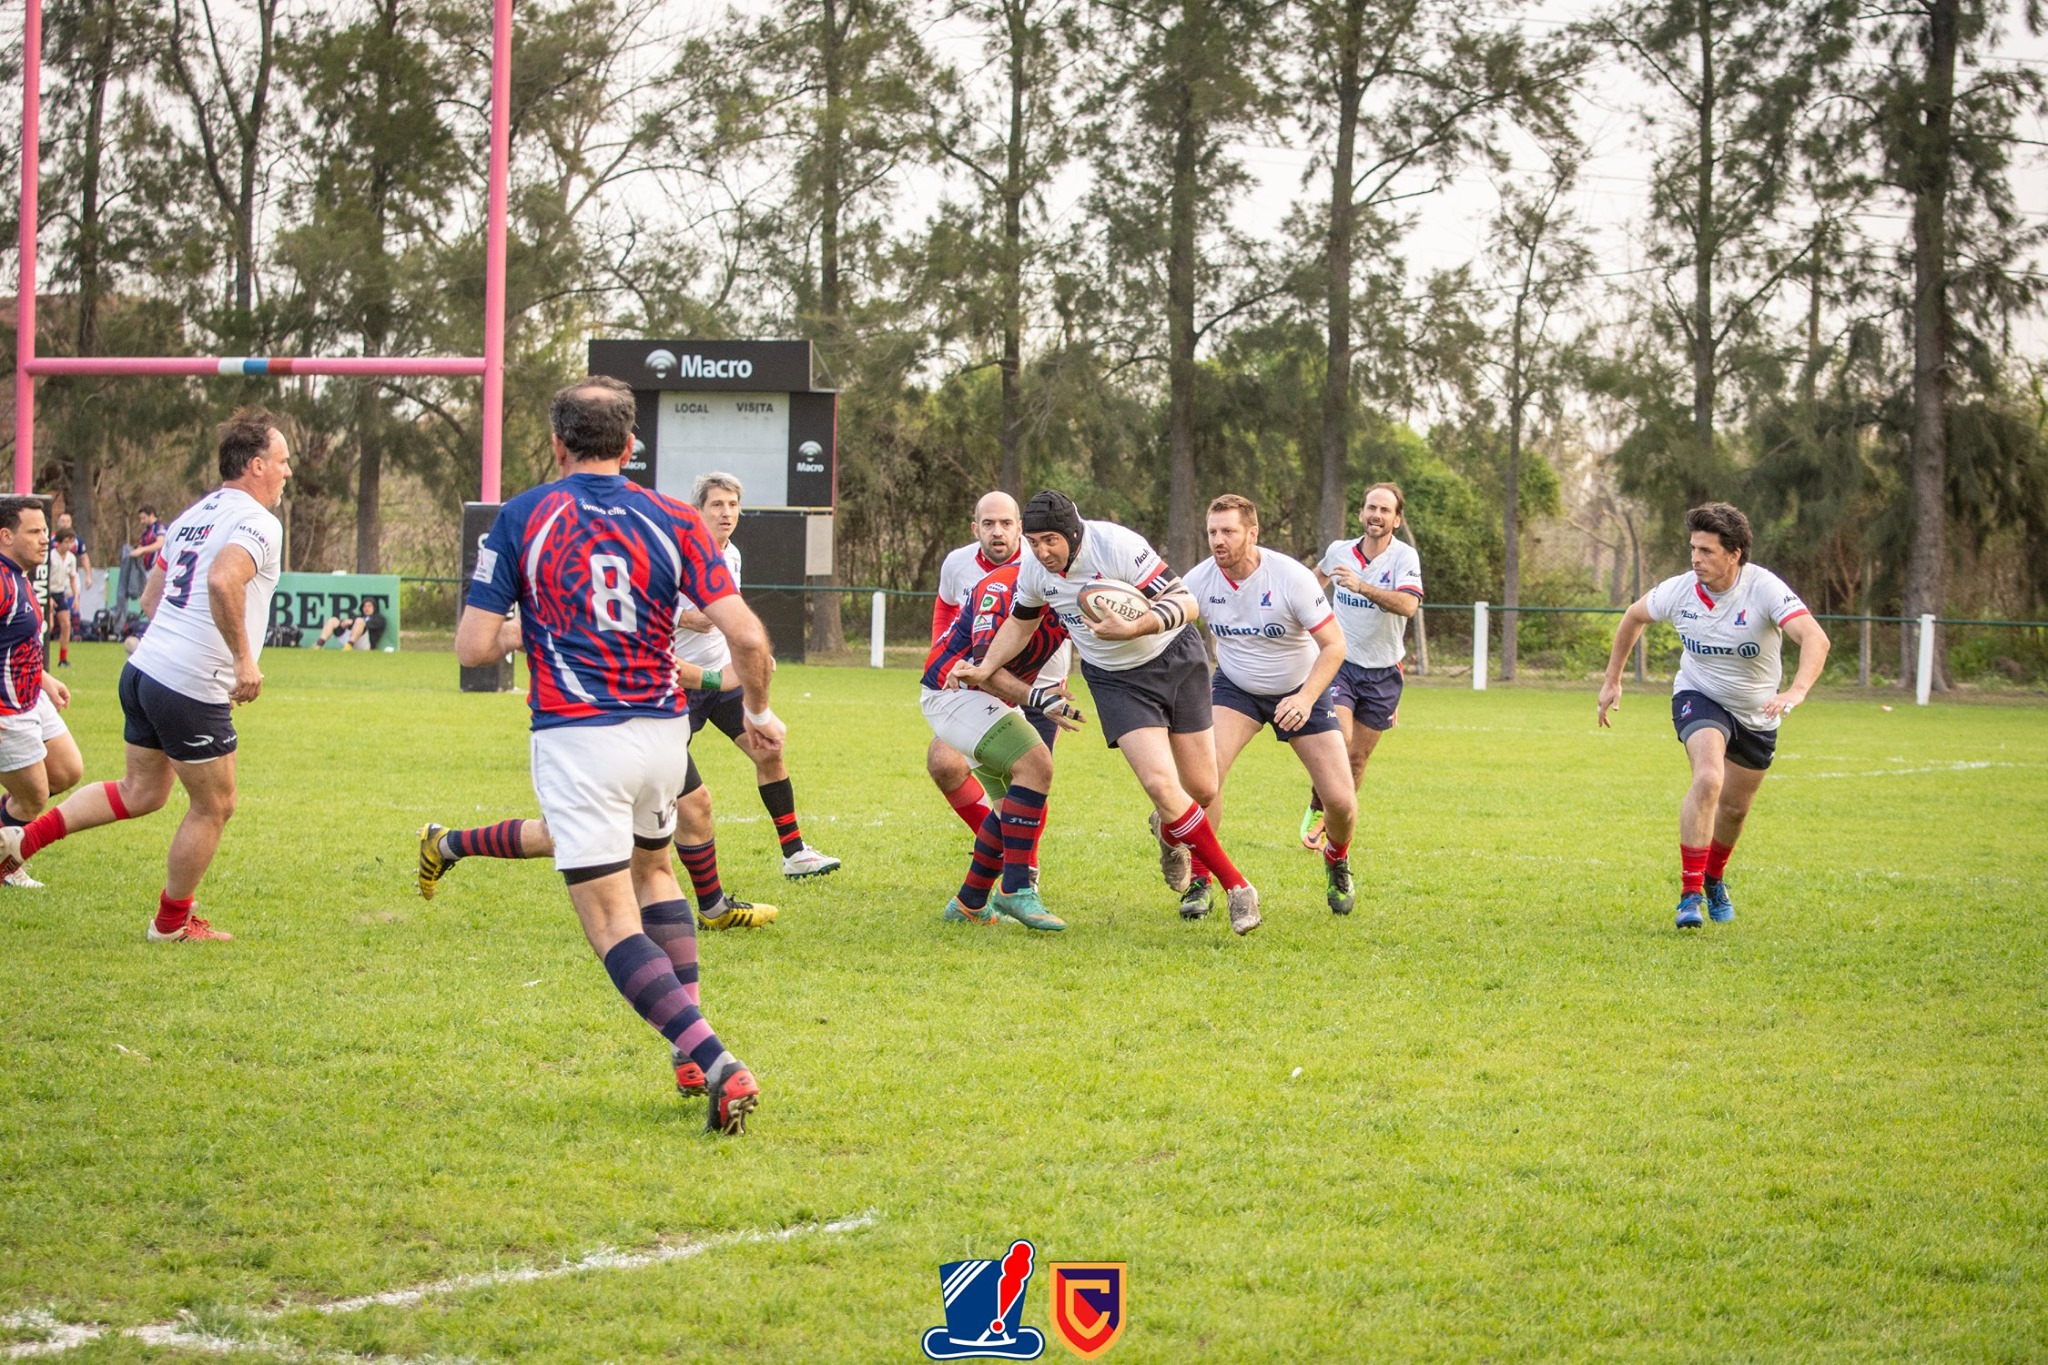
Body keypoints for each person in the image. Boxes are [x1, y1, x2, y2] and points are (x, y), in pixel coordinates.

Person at [456, 376, 783, 1134]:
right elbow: (750, 638)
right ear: (632, 446)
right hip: (663, 734)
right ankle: (690, 1048)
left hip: (579, 737)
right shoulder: (675, 517)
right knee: (657, 869)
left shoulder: (523, 514)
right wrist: (758, 713)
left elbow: (475, 644)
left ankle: (715, 1057)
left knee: (609, 918)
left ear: (556, 444)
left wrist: (527, 629)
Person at [0, 411, 292, 940]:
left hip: (144, 669)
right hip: (188, 682)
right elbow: (225, 580)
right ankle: (171, 924)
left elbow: (152, 598)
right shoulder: (259, 521)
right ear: (255, 465)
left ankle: (20, 842)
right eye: (283, 461)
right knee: (215, 804)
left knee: (142, 792)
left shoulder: (190, 517)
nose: (287, 472)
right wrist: (243, 662)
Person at [957, 490, 1262, 935]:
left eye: (1051, 541)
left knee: (1202, 788)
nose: (1042, 551)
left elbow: (1187, 603)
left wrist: (1137, 625)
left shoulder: (1116, 545)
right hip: (1116, 680)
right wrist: (987, 665)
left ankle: (1167, 828)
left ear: (1074, 534)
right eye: (1035, 541)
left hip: (1175, 658)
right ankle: (1238, 888)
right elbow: (1021, 623)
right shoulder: (1034, 569)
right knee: (1160, 782)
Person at [416, 649, 780, 933]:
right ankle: (447, 843)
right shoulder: (592, 581)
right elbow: (477, 645)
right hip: (584, 724)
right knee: (559, 836)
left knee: (692, 808)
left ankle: (711, 910)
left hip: (638, 720)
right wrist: (722, 676)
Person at [1598, 501, 1831, 929]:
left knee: (1736, 810)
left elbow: (1815, 638)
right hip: (1699, 693)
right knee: (1708, 778)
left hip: (1758, 713)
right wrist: (1613, 679)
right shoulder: (1681, 590)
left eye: (1706, 550)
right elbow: (1633, 617)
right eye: (1693, 548)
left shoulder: (1763, 589)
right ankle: (1689, 896)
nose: (1695, 558)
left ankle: (1713, 878)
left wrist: (1795, 691)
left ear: (1734, 553)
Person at [1185, 495, 1358, 916]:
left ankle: (1336, 859)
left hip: (1301, 689)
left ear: (1252, 532)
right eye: (1212, 532)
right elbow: (1165, 627)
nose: (1218, 541)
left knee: (1341, 801)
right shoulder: (1199, 580)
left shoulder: (1290, 578)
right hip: (1235, 688)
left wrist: (1304, 697)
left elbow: (1335, 646)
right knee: (1205, 783)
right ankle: (1199, 879)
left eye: (1228, 531)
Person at [672, 471, 841, 881]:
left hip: (724, 677)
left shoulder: (732, 555)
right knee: (659, 779)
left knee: (768, 750)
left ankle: (795, 853)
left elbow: (734, 615)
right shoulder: (674, 553)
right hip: (677, 682)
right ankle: (632, 861)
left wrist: (753, 657)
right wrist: (683, 617)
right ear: (699, 510)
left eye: (732, 505)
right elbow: (641, 609)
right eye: (717, 504)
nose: (726, 513)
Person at [924, 559, 1083, 930]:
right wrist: (1041, 699)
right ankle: (1015, 889)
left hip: (990, 700)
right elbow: (985, 671)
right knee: (1036, 765)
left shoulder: (1069, 588)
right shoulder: (1001, 588)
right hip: (953, 693)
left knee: (1007, 806)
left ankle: (969, 903)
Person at [927, 491, 1071, 869]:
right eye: (988, 524)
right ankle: (1008, 857)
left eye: (1006, 523)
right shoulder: (957, 564)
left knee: (1030, 779)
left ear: (1019, 529)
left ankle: (1023, 871)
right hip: (977, 687)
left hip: (1040, 688)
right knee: (944, 762)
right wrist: (940, 651)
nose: (998, 532)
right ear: (975, 528)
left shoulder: (1041, 560)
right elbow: (945, 606)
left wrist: (1058, 680)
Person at [1306, 483, 1423, 852]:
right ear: (1361, 513)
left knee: (1357, 759)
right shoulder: (1339, 550)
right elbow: (1315, 580)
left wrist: (1362, 586)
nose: (1377, 515)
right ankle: (1316, 806)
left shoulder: (1405, 558)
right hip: (1340, 662)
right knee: (1338, 741)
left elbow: (1407, 606)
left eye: (1385, 510)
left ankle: (1333, 816)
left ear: (1397, 519)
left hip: (1384, 672)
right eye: (1371, 507)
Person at [0, 501, 84, 890]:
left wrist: (45, 678)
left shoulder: (20, 577)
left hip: (33, 695)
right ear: (6, 536)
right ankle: (7, 861)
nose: (44, 538)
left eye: (45, 530)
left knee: (66, 771)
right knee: (33, 797)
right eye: (34, 531)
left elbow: (16, 639)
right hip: (7, 707)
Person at [45, 529, 81, 668]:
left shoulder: (71, 558)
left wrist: (76, 597)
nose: (69, 545)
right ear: (59, 543)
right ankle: (41, 657)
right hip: (47, 592)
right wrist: (48, 597)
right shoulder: (50, 557)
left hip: (59, 593)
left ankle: (63, 659)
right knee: (49, 625)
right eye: (66, 542)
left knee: (66, 624)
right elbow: (44, 577)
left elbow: (72, 579)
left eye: (71, 542)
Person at [133, 506, 167, 571]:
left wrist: (142, 550)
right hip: (146, 568)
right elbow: (140, 547)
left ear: (151, 515)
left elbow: (160, 543)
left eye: (144, 518)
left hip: (157, 567)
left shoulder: (159, 527)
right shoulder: (145, 532)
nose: (142, 521)